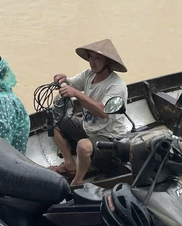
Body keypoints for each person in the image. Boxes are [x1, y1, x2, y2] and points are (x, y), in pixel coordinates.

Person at [50, 38, 129, 186]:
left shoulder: (117, 86)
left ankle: (77, 182)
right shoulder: (89, 75)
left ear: (109, 63)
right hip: (88, 127)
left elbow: (104, 112)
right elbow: (71, 84)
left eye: (98, 58)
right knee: (53, 120)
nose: (92, 62)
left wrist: (77, 94)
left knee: (83, 145)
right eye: (91, 57)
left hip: (109, 137)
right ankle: (69, 162)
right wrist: (62, 80)